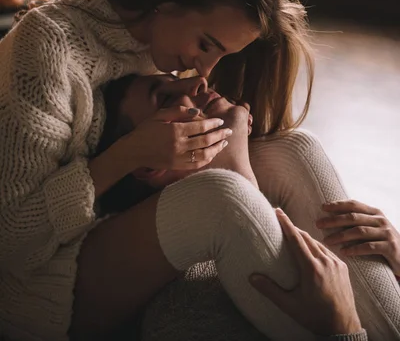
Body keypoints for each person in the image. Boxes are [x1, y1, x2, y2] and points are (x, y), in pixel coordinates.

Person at [0, 0, 315, 341]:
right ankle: (337, 327)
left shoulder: (162, 44)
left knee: (296, 148)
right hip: (41, 279)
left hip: (123, 224)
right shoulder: (48, 48)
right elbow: (12, 243)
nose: (204, 70)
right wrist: (129, 154)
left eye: (220, 54)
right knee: (222, 196)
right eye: (206, 45)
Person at [93, 72, 400, 341]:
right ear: (150, 165)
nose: (198, 80)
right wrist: (342, 328)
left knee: (295, 148)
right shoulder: (185, 306)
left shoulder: (289, 198)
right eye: (165, 99)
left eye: (178, 79)